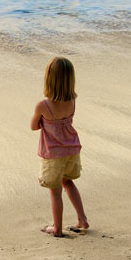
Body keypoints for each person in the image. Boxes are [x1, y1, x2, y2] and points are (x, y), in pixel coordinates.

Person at [30, 57, 88, 237]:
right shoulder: (72, 101)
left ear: (49, 79)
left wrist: (44, 121)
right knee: (68, 183)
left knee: (55, 193)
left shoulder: (43, 105)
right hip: (71, 149)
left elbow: (34, 126)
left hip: (53, 154)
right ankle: (82, 219)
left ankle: (57, 229)